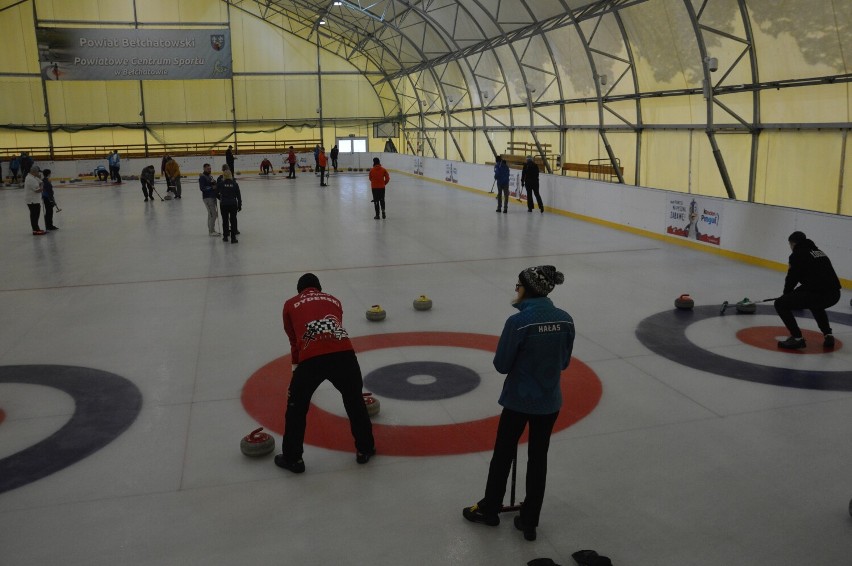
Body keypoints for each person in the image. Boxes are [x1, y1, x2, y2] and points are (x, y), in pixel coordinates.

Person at [463, 265, 574, 542]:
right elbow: (563, 362)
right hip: (549, 403)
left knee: (503, 453)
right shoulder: (566, 320)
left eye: (518, 286)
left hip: (518, 401)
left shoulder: (518, 323)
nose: (516, 290)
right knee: (538, 459)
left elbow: (501, 365)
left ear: (529, 289)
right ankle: (529, 519)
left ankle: (490, 508)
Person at [276, 273, 375, 473]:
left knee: (296, 408)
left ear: (299, 291)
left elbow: (295, 342)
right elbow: (334, 328)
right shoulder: (334, 300)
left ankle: (293, 459)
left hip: (311, 358)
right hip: (344, 355)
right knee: (354, 400)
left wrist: (296, 372)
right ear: (319, 288)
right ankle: (365, 449)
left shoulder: (290, 304)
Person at [774, 231, 841, 349]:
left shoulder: (797, 254)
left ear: (793, 243)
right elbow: (817, 278)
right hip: (835, 294)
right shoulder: (819, 252)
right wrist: (795, 293)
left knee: (780, 304)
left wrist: (786, 296)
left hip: (818, 293)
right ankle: (828, 334)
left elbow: (791, 278)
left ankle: (797, 338)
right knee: (815, 304)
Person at [217, 165, 241, 243]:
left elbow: (216, 192)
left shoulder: (221, 183)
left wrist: (220, 198)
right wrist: (240, 205)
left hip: (224, 204)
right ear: (231, 175)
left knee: (225, 220)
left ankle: (225, 236)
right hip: (233, 204)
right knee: (233, 220)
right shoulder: (235, 184)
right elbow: (238, 196)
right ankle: (233, 238)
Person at [24, 165, 46, 235]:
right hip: (32, 200)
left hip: (35, 200)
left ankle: (37, 228)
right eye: (38, 172)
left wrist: (41, 184)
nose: (39, 174)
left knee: (36, 214)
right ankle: (35, 230)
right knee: (34, 215)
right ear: (34, 172)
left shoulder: (33, 177)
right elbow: (38, 190)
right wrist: (42, 187)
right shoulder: (30, 179)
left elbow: (41, 182)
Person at [199, 163, 220, 236]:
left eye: (210, 168)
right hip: (208, 198)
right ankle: (211, 231)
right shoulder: (202, 177)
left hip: (212, 197)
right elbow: (202, 188)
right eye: (208, 169)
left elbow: (213, 184)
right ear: (204, 169)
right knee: (213, 214)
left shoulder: (210, 176)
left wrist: (214, 184)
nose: (209, 170)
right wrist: (211, 187)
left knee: (211, 214)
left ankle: (211, 230)